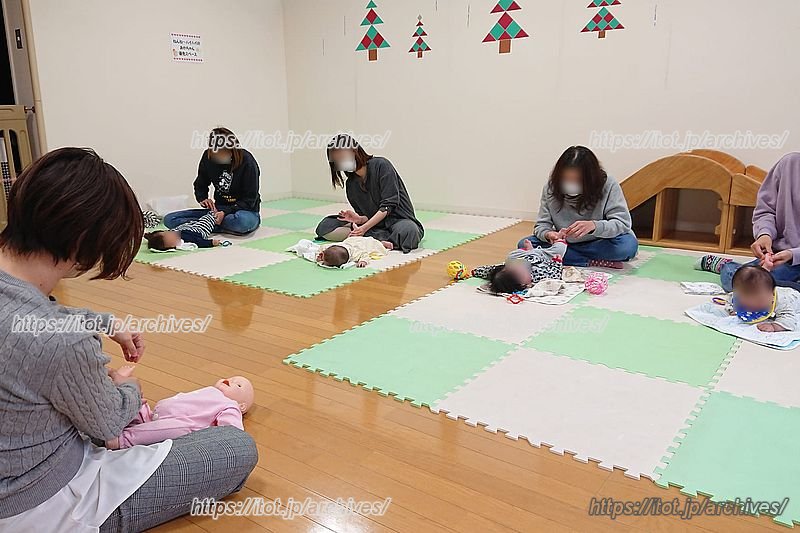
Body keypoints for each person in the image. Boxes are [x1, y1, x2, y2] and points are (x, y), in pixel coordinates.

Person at [0, 148, 257, 532]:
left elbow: (24, 319)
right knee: (236, 449)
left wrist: (103, 322)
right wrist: (126, 389)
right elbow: (107, 422)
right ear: (83, 241)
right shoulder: (64, 343)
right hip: (37, 500)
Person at [518, 146, 638, 269]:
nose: (571, 184)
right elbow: (541, 225)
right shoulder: (551, 187)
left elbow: (622, 223)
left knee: (627, 246)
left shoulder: (608, 185)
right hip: (565, 243)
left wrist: (594, 226)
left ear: (591, 179)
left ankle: (562, 257)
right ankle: (591, 261)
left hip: (599, 241)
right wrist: (549, 235)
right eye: (566, 179)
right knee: (524, 244)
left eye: (578, 180)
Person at [696, 153, 800, 292]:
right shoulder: (790, 164)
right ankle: (726, 266)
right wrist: (765, 234)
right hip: (784, 259)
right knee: (748, 284)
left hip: (792, 256)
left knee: (764, 289)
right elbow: (766, 210)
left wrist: (794, 254)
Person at [315, 134, 424, 253]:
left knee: (409, 230)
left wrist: (363, 228)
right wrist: (359, 219)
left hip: (398, 221)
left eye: (343, 157)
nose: (341, 163)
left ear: (355, 151)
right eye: (337, 161)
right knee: (325, 226)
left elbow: (388, 206)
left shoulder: (381, 165)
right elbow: (367, 216)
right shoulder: (351, 184)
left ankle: (370, 240)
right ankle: (379, 241)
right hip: (375, 226)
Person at [107, 370, 254, 449]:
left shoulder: (230, 405)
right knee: (138, 403)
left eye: (238, 385)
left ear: (241, 406)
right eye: (231, 378)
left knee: (168, 428)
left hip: (181, 426)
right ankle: (115, 402)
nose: (230, 380)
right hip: (153, 415)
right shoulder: (211, 391)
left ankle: (122, 440)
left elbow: (231, 433)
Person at [164, 127, 261, 235]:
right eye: (217, 152)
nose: (220, 155)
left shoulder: (247, 161)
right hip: (218, 209)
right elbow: (200, 183)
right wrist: (203, 198)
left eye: (224, 152)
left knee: (242, 222)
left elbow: (250, 199)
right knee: (170, 219)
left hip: (244, 211)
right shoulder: (208, 157)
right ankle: (212, 225)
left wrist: (225, 212)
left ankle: (204, 225)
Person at [473, 239, 567, 294]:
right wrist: (557, 262)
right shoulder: (538, 275)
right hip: (541, 256)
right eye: (522, 273)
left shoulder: (513, 265)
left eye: (513, 267)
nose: (521, 267)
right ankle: (560, 241)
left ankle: (528, 250)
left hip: (523, 256)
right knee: (559, 250)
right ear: (524, 284)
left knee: (510, 256)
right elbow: (555, 275)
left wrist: (476, 271)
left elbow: (489, 270)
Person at [725, 265, 800, 332]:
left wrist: (774, 326)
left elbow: (790, 319)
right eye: (747, 303)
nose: (754, 305)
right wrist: (732, 309)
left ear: (772, 294)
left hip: (795, 293)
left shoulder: (781, 301)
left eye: (760, 301)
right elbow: (729, 299)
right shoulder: (737, 296)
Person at [145, 210, 228, 250]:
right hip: (198, 229)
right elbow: (199, 242)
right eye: (170, 238)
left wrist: (149, 236)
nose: (170, 233)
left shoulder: (174, 231)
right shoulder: (185, 240)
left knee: (170, 220)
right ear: (173, 244)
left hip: (188, 225)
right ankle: (215, 217)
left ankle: (217, 218)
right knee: (207, 220)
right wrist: (211, 242)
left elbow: (157, 235)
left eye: (166, 232)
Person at [318, 236, 393, 268]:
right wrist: (320, 253)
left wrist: (363, 261)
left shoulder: (355, 254)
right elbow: (323, 247)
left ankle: (382, 243)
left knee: (375, 246)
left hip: (364, 243)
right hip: (352, 241)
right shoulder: (331, 247)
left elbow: (364, 254)